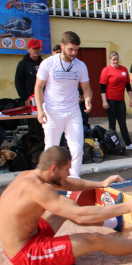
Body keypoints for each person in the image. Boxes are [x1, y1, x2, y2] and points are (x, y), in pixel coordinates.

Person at [0, 146, 132, 265]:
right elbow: (80, 215)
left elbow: (65, 182)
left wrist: (101, 184)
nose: (68, 174)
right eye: (66, 170)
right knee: (93, 239)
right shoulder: (40, 190)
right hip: (26, 254)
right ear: (54, 168)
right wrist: (126, 207)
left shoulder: (30, 175)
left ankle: (114, 222)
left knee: (61, 206)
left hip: (29, 235)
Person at [35, 31, 92, 179]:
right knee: (51, 149)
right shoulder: (48, 63)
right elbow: (38, 87)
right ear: (62, 46)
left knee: (77, 149)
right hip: (52, 112)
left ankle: (73, 181)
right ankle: (48, 183)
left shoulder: (81, 66)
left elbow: (86, 88)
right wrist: (40, 110)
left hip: (73, 111)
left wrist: (87, 100)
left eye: (76, 50)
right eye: (70, 49)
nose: (73, 53)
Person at [100, 51, 132, 151]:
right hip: (110, 100)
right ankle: (113, 145)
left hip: (120, 100)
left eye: (117, 59)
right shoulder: (106, 70)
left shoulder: (124, 69)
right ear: (110, 60)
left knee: (122, 123)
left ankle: (128, 144)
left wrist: (131, 98)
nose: (115, 61)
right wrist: (104, 101)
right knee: (112, 123)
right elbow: (102, 87)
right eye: (113, 60)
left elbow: (128, 86)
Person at [15, 38, 44, 137]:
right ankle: (34, 147)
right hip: (30, 100)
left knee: (45, 124)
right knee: (33, 126)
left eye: (38, 48)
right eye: (34, 48)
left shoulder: (44, 63)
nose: (36, 51)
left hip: (44, 99)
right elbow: (18, 82)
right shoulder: (23, 64)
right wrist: (24, 98)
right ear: (28, 49)